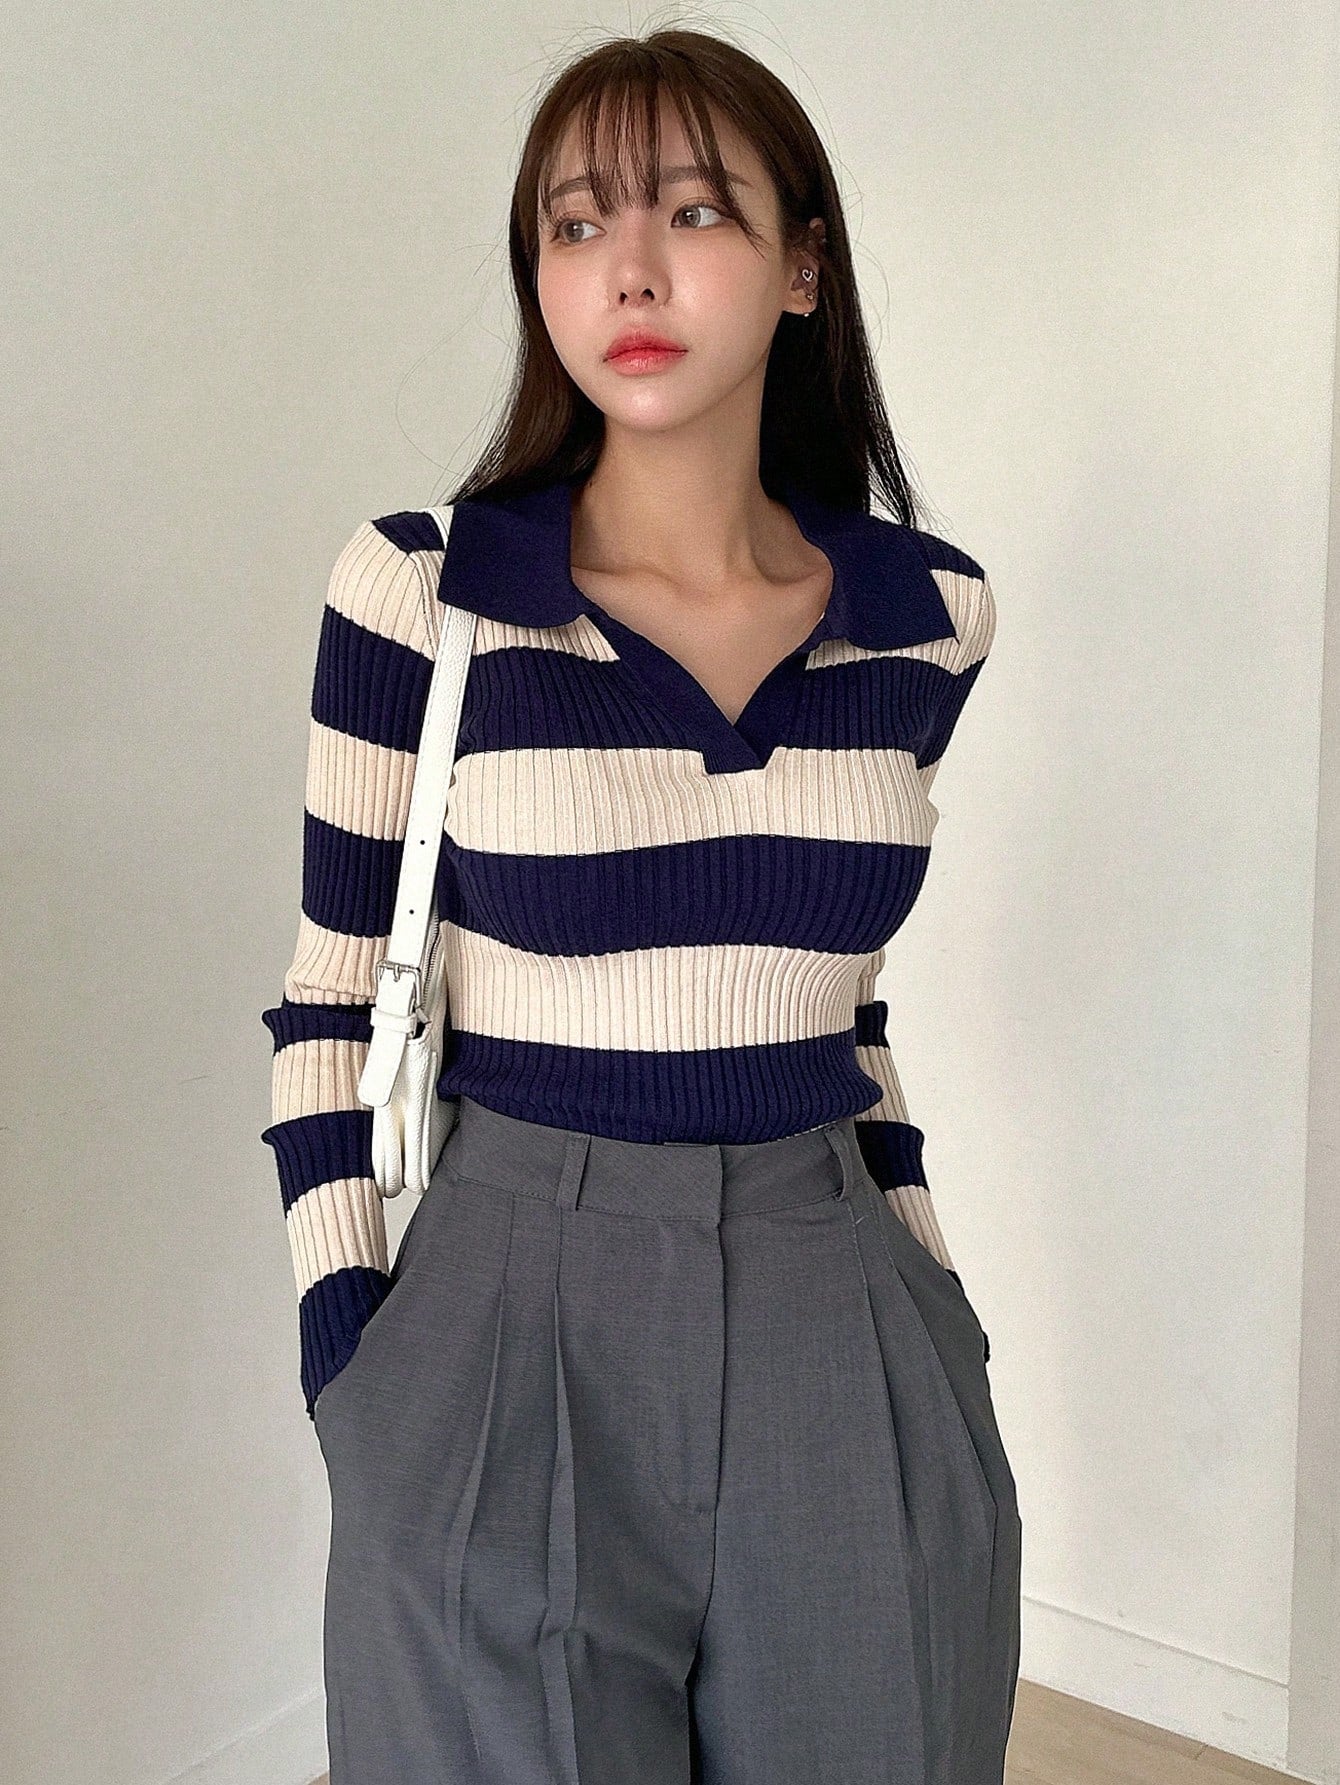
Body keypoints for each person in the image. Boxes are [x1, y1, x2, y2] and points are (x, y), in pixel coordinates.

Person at [260, 25, 1020, 1785]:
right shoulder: (427, 594)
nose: (632, 270)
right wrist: (357, 1371)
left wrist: (932, 1299)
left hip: (840, 1299)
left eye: (693, 210)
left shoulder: (929, 618)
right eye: (578, 222)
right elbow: (328, 999)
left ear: (803, 264)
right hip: (508, 1301)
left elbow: (843, 1001)